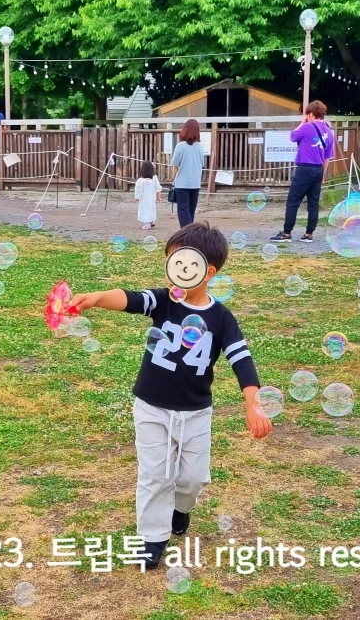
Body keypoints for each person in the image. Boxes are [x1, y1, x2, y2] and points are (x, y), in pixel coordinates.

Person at [70, 223, 272, 569]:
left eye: (183, 262)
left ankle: (181, 509)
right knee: (155, 474)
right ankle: (151, 538)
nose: (174, 271)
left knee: (192, 478)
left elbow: (242, 359)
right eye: (170, 262)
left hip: (195, 412)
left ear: (207, 271)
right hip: (151, 406)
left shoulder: (222, 319)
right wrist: (97, 299)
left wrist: (253, 404)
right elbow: (131, 298)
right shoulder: (162, 301)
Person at [271, 100, 335, 244]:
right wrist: (323, 174)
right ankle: (309, 234)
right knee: (313, 203)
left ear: (311, 114)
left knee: (293, 201)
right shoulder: (330, 133)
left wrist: (302, 122)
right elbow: (327, 157)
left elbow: (292, 136)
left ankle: (287, 233)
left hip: (304, 169)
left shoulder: (306, 127)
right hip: (318, 169)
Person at [170, 119, 204, 227]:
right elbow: (201, 164)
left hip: (182, 183)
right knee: (191, 210)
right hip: (195, 183)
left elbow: (175, 165)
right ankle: (191, 232)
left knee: (183, 209)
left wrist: (172, 178)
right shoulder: (200, 146)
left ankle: (186, 233)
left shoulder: (180, 146)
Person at [135, 161, 163, 230]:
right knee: (151, 209)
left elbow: (137, 189)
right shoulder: (154, 178)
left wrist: (137, 197)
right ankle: (152, 221)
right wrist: (158, 196)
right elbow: (158, 187)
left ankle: (147, 223)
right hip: (151, 198)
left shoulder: (140, 180)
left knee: (144, 209)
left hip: (144, 199)